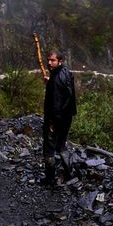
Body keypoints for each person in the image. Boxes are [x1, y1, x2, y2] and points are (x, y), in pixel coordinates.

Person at [42, 51, 77, 186]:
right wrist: (50, 82)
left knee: (49, 149)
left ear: (60, 61)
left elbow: (56, 103)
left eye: (52, 60)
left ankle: (50, 179)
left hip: (56, 119)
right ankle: (69, 173)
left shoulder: (56, 79)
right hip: (67, 118)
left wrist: (51, 122)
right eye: (48, 60)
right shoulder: (67, 73)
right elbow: (64, 93)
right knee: (61, 145)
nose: (49, 63)